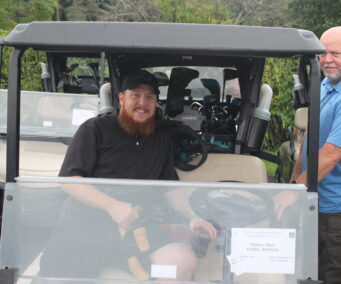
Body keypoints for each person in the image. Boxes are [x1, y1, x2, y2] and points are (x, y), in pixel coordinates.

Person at [40, 70, 217, 281]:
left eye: (149, 97)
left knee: (181, 262)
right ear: (121, 98)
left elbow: (169, 186)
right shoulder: (95, 129)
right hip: (87, 225)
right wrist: (111, 205)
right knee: (63, 276)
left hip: (139, 224)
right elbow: (70, 182)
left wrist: (192, 216)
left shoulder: (161, 138)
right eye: (135, 95)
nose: (142, 102)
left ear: (155, 102)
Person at [279, 26, 341, 284]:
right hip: (319, 198)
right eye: (323, 53)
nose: (327, 59)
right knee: (307, 270)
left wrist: (294, 192)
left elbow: (331, 154)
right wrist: (294, 181)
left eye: (335, 53)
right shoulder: (326, 82)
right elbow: (311, 137)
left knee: (332, 274)